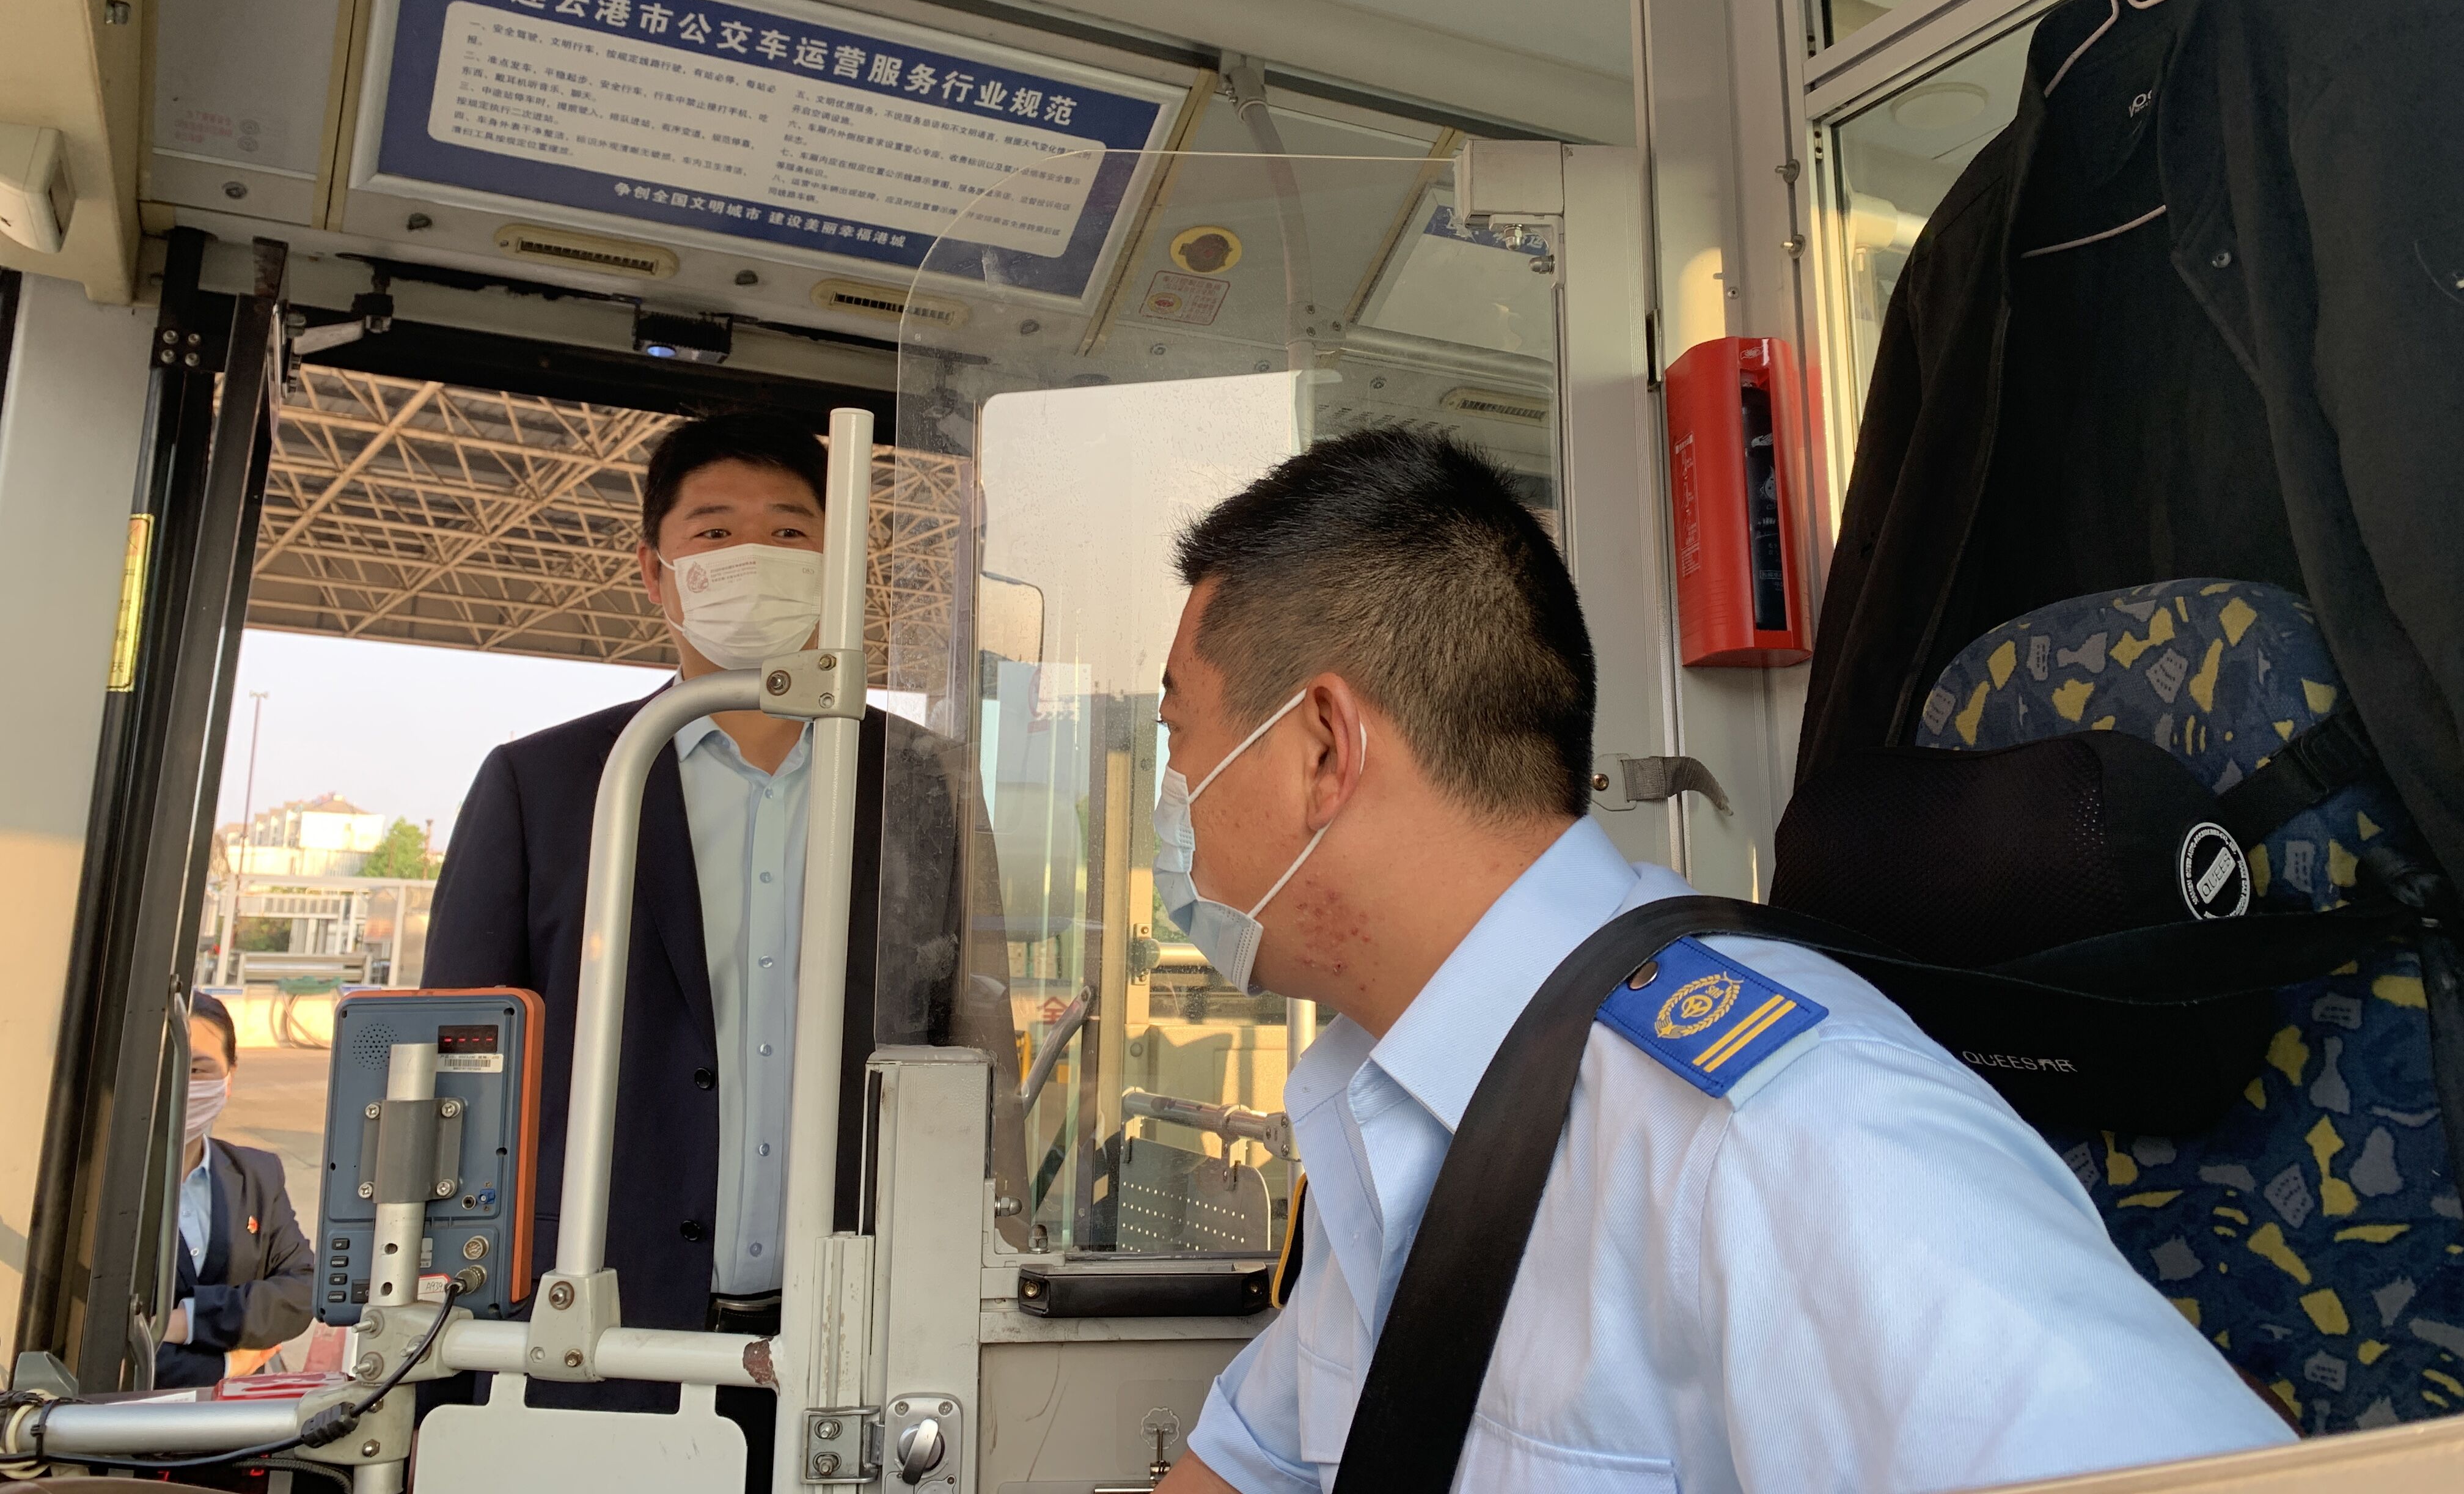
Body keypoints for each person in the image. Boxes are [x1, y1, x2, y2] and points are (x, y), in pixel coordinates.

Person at [1150, 428, 2292, 1494]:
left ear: (1323, 747)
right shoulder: (1396, 1107)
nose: (1176, 791)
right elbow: (1250, 1463)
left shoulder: (1787, 1131)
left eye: (1179, 734)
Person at [424, 410, 1016, 1482]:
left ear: (841, 567)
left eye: (790, 532)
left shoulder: (922, 783)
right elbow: (459, 1078)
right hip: (598, 1345)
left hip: (856, 1343)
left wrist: (991, 1274)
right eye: (714, 532)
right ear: (655, 571)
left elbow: (979, 1054)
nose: (754, 557)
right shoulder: (545, 786)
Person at [154, 992, 314, 1387]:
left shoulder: (258, 1174)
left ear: (229, 1076)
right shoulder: (94, 1188)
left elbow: (303, 1290)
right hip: (117, 1419)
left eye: (198, 1069)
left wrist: (188, 1320)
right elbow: (92, 1346)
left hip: (233, 1421)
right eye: (164, 1067)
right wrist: (225, 1368)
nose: (180, 1083)